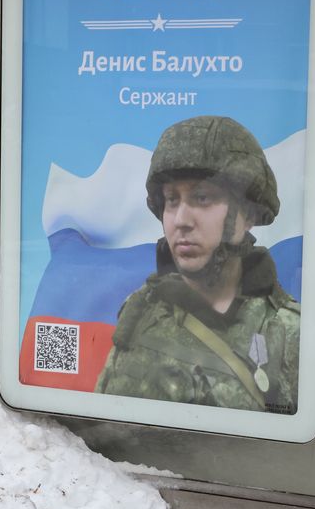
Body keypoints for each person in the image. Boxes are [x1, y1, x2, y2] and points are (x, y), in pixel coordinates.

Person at [96, 115, 300, 413]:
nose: (181, 221)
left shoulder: (288, 332)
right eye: (171, 200)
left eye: (202, 198)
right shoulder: (140, 312)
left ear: (250, 215)